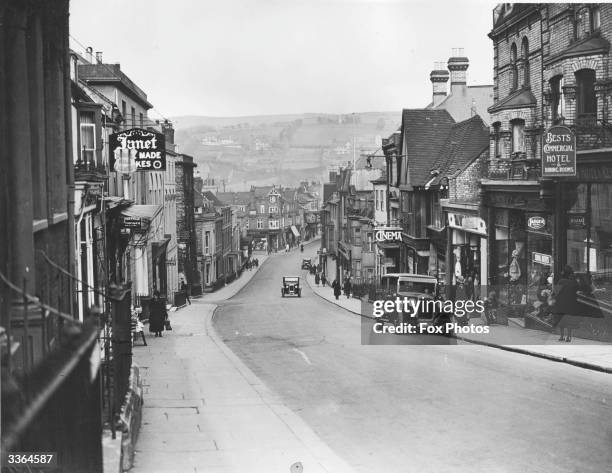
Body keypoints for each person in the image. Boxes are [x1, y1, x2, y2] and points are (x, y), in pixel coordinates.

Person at [552, 265, 580, 342]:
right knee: (569, 321)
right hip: (570, 304)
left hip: (561, 304)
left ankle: (561, 336)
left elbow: (555, 293)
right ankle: (569, 337)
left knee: (561, 321)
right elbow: (578, 290)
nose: (561, 272)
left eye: (562, 271)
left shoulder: (561, 281)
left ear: (565, 273)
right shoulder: (574, 282)